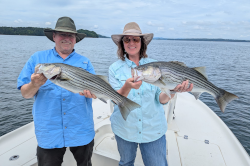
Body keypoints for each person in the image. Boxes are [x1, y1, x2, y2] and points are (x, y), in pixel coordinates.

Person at [109, 22, 193, 166]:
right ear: (122, 44)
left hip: (152, 129)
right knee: (126, 163)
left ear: (142, 43)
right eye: (127, 39)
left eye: (135, 39)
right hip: (124, 128)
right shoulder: (114, 68)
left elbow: (161, 99)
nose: (131, 43)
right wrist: (127, 87)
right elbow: (115, 99)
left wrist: (172, 91)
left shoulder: (155, 65)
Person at [17, 16, 96, 166]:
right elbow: (25, 94)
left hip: (81, 129)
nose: (66, 38)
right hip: (49, 132)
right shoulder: (37, 58)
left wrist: (93, 93)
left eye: (70, 35)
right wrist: (34, 84)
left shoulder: (85, 62)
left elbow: (95, 90)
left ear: (75, 39)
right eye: (62, 34)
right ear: (54, 36)